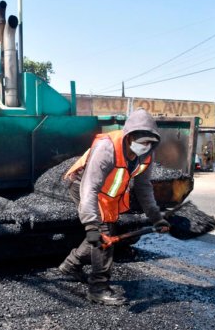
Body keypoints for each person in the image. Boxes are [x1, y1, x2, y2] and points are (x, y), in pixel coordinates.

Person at [58, 108, 170, 306]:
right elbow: (89, 188)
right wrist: (91, 225)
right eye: (142, 142)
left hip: (105, 193)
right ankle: (98, 289)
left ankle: (71, 265)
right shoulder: (106, 148)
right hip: (82, 185)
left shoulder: (146, 155)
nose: (146, 146)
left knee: (101, 236)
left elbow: (144, 188)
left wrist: (156, 217)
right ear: (129, 137)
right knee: (105, 236)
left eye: (150, 143)